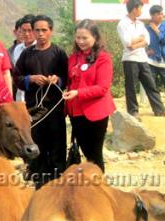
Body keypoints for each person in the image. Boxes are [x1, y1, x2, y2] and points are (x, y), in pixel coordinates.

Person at [14, 15, 68, 189]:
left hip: (54, 109)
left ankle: (58, 183)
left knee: (57, 145)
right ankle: (39, 185)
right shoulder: (26, 54)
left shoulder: (59, 53)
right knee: (37, 146)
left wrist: (57, 80)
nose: (40, 34)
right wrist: (30, 79)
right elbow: (17, 78)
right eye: (37, 30)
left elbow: (67, 78)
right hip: (34, 110)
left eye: (44, 30)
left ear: (51, 31)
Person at [63, 19, 116, 172]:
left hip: (95, 114)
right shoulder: (74, 57)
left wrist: (78, 93)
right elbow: (70, 81)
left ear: (95, 37)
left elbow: (102, 88)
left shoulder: (103, 57)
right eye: (78, 37)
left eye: (85, 38)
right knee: (85, 152)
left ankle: (99, 187)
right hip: (76, 113)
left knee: (94, 155)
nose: (81, 41)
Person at [117, 0, 165, 120]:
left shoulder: (140, 23)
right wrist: (139, 40)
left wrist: (135, 43)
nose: (142, 11)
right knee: (131, 87)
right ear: (134, 9)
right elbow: (127, 43)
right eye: (140, 8)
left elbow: (146, 40)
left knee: (151, 85)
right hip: (130, 59)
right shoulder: (123, 24)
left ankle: (160, 109)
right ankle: (133, 112)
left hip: (142, 58)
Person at [12, 14, 36, 102]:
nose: (27, 34)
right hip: (19, 98)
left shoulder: (40, 49)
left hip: (35, 98)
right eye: (24, 30)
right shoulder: (17, 49)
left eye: (30, 30)